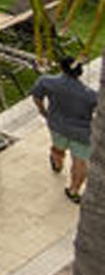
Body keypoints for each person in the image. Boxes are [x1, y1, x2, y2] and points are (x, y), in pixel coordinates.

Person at [34, 56, 96, 202]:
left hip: (56, 126)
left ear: (62, 68)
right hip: (82, 133)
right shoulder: (91, 95)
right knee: (80, 162)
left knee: (57, 148)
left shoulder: (46, 81)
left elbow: (37, 97)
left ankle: (57, 164)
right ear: (80, 73)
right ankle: (73, 191)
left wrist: (44, 112)